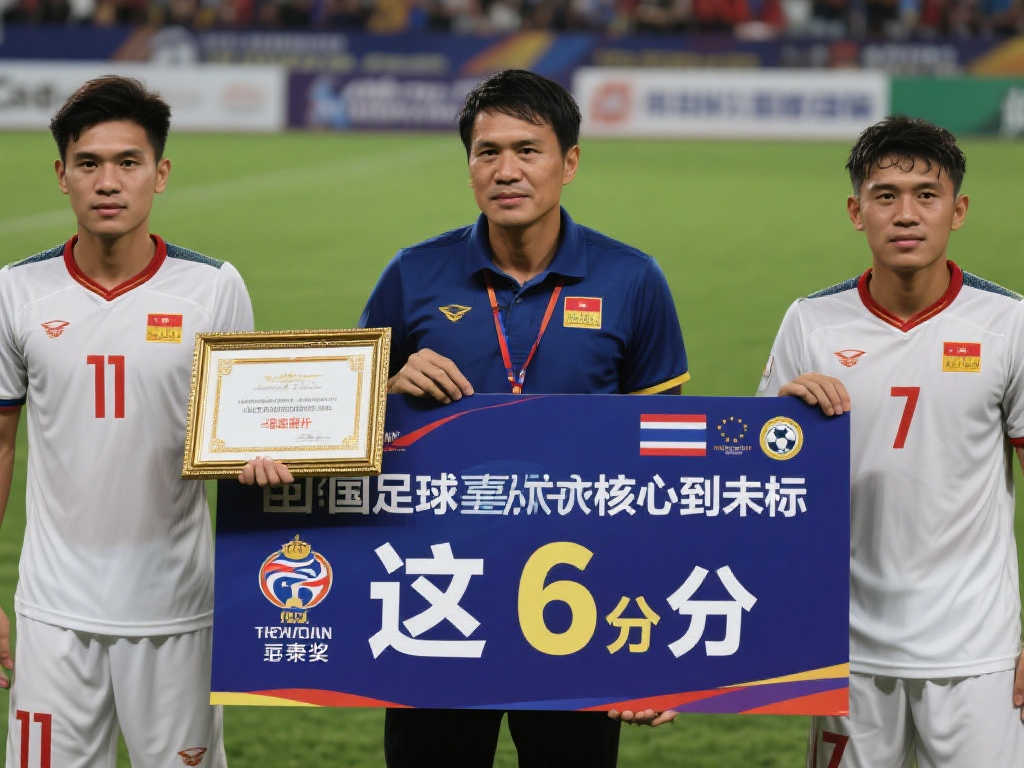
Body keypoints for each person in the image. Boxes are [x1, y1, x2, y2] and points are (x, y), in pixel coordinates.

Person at [359, 69, 687, 768]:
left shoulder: (632, 279)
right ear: (469, 166)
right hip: (437, 593)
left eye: (528, 150)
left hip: (577, 598)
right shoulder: (413, 275)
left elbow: (665, 467)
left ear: (569, 163)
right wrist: (384, 387)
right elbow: (345, 429)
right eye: (488, 152)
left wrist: (655, 639)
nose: (506, 171)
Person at [0, 76, 281, 768]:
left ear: (160, 173)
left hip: (178, 610)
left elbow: (245, 435)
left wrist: (267, 457)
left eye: (128, 162)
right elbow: (1, 444)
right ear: (61, 175)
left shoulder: (213, 288)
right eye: (88, 163)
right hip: (53, 612)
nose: (107, 182)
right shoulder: (17, 290)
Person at [757, 115, 1024, 767]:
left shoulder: (1008, 324)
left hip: (977, 653)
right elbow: (760, 490)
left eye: (927, 195)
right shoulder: (811, 322)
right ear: (857, 212)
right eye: (886, 196)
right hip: (842, 648)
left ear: (958, 210)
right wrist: (783, 426)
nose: (906, 214)